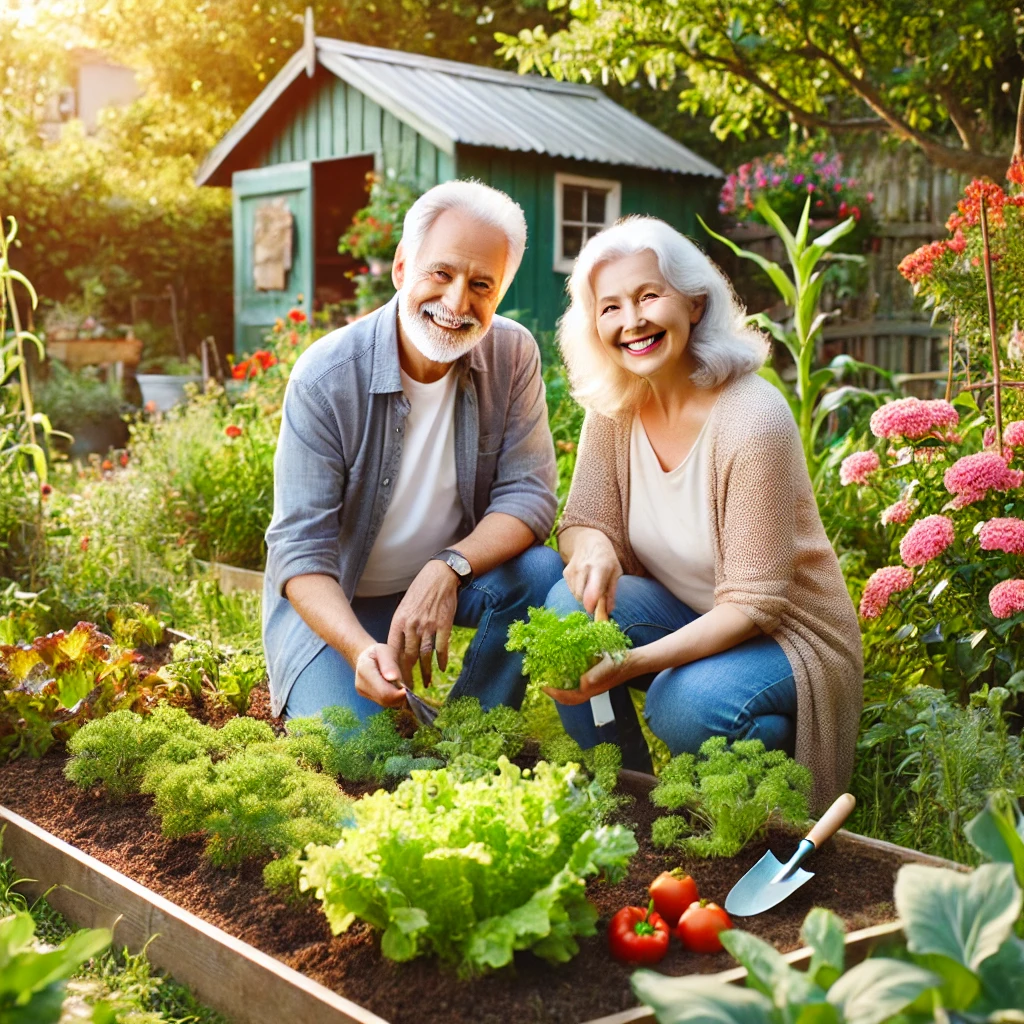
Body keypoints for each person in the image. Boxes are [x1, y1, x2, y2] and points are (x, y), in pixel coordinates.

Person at [545, 216, 862, 809]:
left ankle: (772, 755)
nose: (632, 321)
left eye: (648, 296)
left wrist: (630, 663)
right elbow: (586, 519)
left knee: (682, 706)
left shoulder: (751, 420)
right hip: (687, 611)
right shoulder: (616, 406)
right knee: (567, 613)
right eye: (609, 307)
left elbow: (754, 605)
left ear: (693, 305)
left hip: (784, 636)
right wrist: (590, 545)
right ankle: (626, 795)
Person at [262, 180, 563, 721]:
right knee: (360, 750)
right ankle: (369, 685)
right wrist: (358, 649)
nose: (456, 302)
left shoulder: (513, 354)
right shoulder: (327, 377)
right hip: (343, 603)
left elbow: (529, 495)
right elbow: (299, 550)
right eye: (441, 274)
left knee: (540, 574)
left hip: (454, 579)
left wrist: (446, 569)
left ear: (499, 295)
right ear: (402, 267)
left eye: (481, 285)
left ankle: (474, 726)